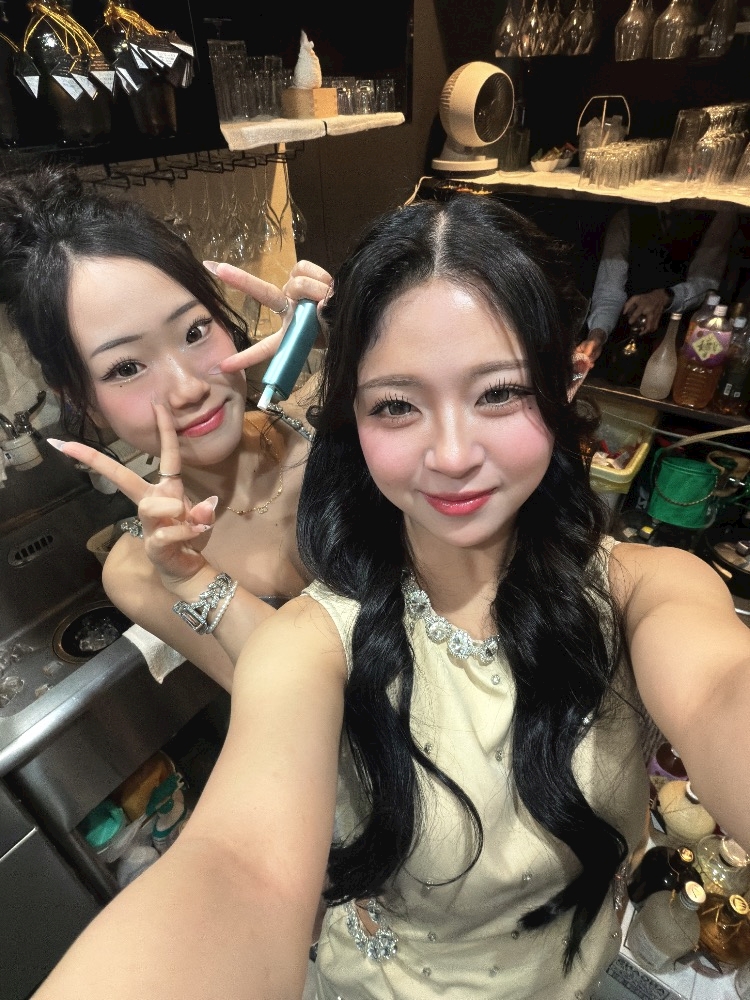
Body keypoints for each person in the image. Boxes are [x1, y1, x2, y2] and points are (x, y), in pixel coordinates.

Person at [33, 194, 750, 1000]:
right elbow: (240, 861)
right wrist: (188, 575)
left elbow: (721, 688)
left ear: (567, 378)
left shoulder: (645, 589)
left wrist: (344, 348)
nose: (451, 455)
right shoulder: (302, 633)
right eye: (397, 405)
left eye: (499, 392)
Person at [0, 166, 331, 691]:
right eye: (126, 367)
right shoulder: (137, 569)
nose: (187, 389)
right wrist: (191, 576)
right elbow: (289, 700)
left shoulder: (324, 418)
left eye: (195, 331)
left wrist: (357, 340)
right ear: (82, 399)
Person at [579, 205, 737, 361]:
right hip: (622, 334)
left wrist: (665, 297)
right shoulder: (627, 215)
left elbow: (706, 283)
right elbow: (609, 292)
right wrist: (597, 335)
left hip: (679, 339)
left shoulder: (718, 214)